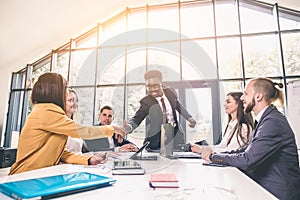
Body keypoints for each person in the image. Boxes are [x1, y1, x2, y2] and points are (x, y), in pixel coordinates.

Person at [202, 77, 300, 200]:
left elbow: (248, 159)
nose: (242, 98)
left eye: (246, 94)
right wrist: (216, 155)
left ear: (258, 96)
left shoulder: (272, 122)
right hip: (266, 189)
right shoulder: (265, 119)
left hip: (277, 194)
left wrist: (213, 157)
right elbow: (245, 150)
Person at [9, 72, 125, 175]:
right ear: (55, 91)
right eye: (65, 88)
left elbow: (62, 153)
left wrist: (88, 160)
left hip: (38, 174)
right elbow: (84, 132)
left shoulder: (49, 112)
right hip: (25, 176)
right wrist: (111, 129)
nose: (67, 91)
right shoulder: (46, 111)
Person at [124, 69, 196, 151]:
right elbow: (138, 117)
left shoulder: (170, 92)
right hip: (156, 141)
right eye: (149, 86)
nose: (152, 89)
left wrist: (189, 118)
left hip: (176, 137)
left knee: (178, 161)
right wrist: (128, 127)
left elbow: (178, 106)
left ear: (161, 83)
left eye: (155, 85)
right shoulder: (146, 101)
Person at [65, 88, 84, 154]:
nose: (74, 103)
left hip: (78, 162)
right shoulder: (60, 124)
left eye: (76, 101)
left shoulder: (75, 124)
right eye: (70, 100)